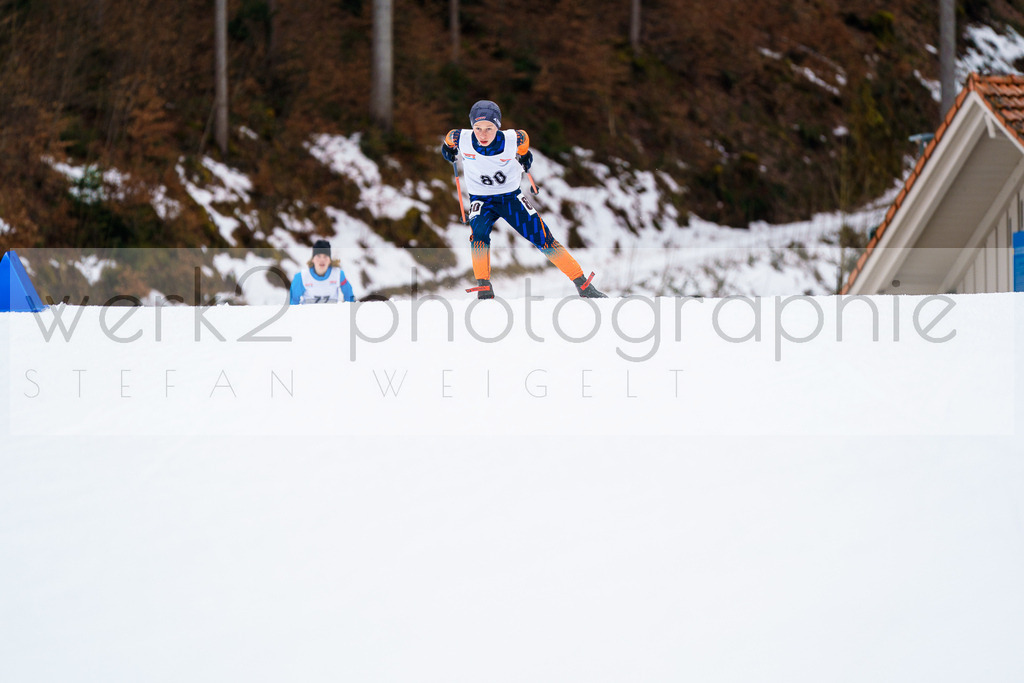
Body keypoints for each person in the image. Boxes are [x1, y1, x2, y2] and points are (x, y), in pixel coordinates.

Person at [442, 100, 608, 299]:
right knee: (478, 235)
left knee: (542, 238)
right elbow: (449, 141)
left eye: (489, 128)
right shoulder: (460, 137)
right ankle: (483, 287)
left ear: (498, 127)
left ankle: (582, 284)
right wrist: (447, 150)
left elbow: (524, 143)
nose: (483, 134)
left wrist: (525, 156)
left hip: (510, 199)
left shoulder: (514, 139)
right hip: (481, 199)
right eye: (477, 128)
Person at [289, 239, 355, 304]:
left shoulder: (338, 274)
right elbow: (293, 301)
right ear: (313, 259)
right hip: (309, 314)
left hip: (332, 313)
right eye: (318, 256)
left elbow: (349, 295)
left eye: (325, 256)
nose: (322, 260)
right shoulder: (301, 277)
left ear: (330, 260)